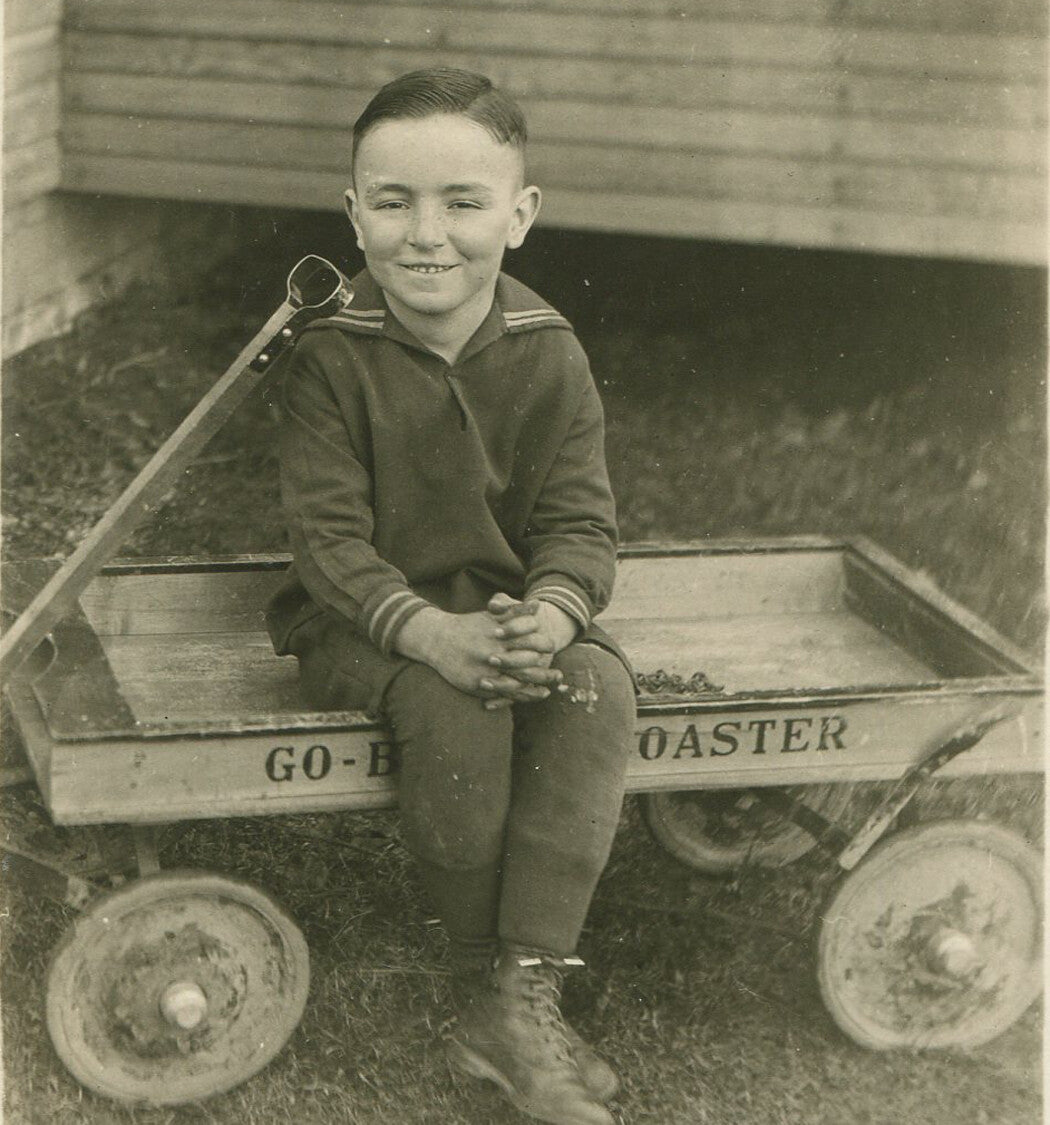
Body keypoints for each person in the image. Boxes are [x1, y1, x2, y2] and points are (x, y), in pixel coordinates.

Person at [266, 67, 635, 1125]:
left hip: (504, 615)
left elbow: (579, 527)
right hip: (361, 622)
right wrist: (432, 635)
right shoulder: (331, 357)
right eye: (393, 201)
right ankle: (485, 976)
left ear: (518, 217)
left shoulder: (548, 354)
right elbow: (328, 545)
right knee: (453, 702)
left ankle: (523, 992)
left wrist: (551, 616)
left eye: (463, 202)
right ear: (354, 213)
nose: (427, 233)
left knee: (593, 690)